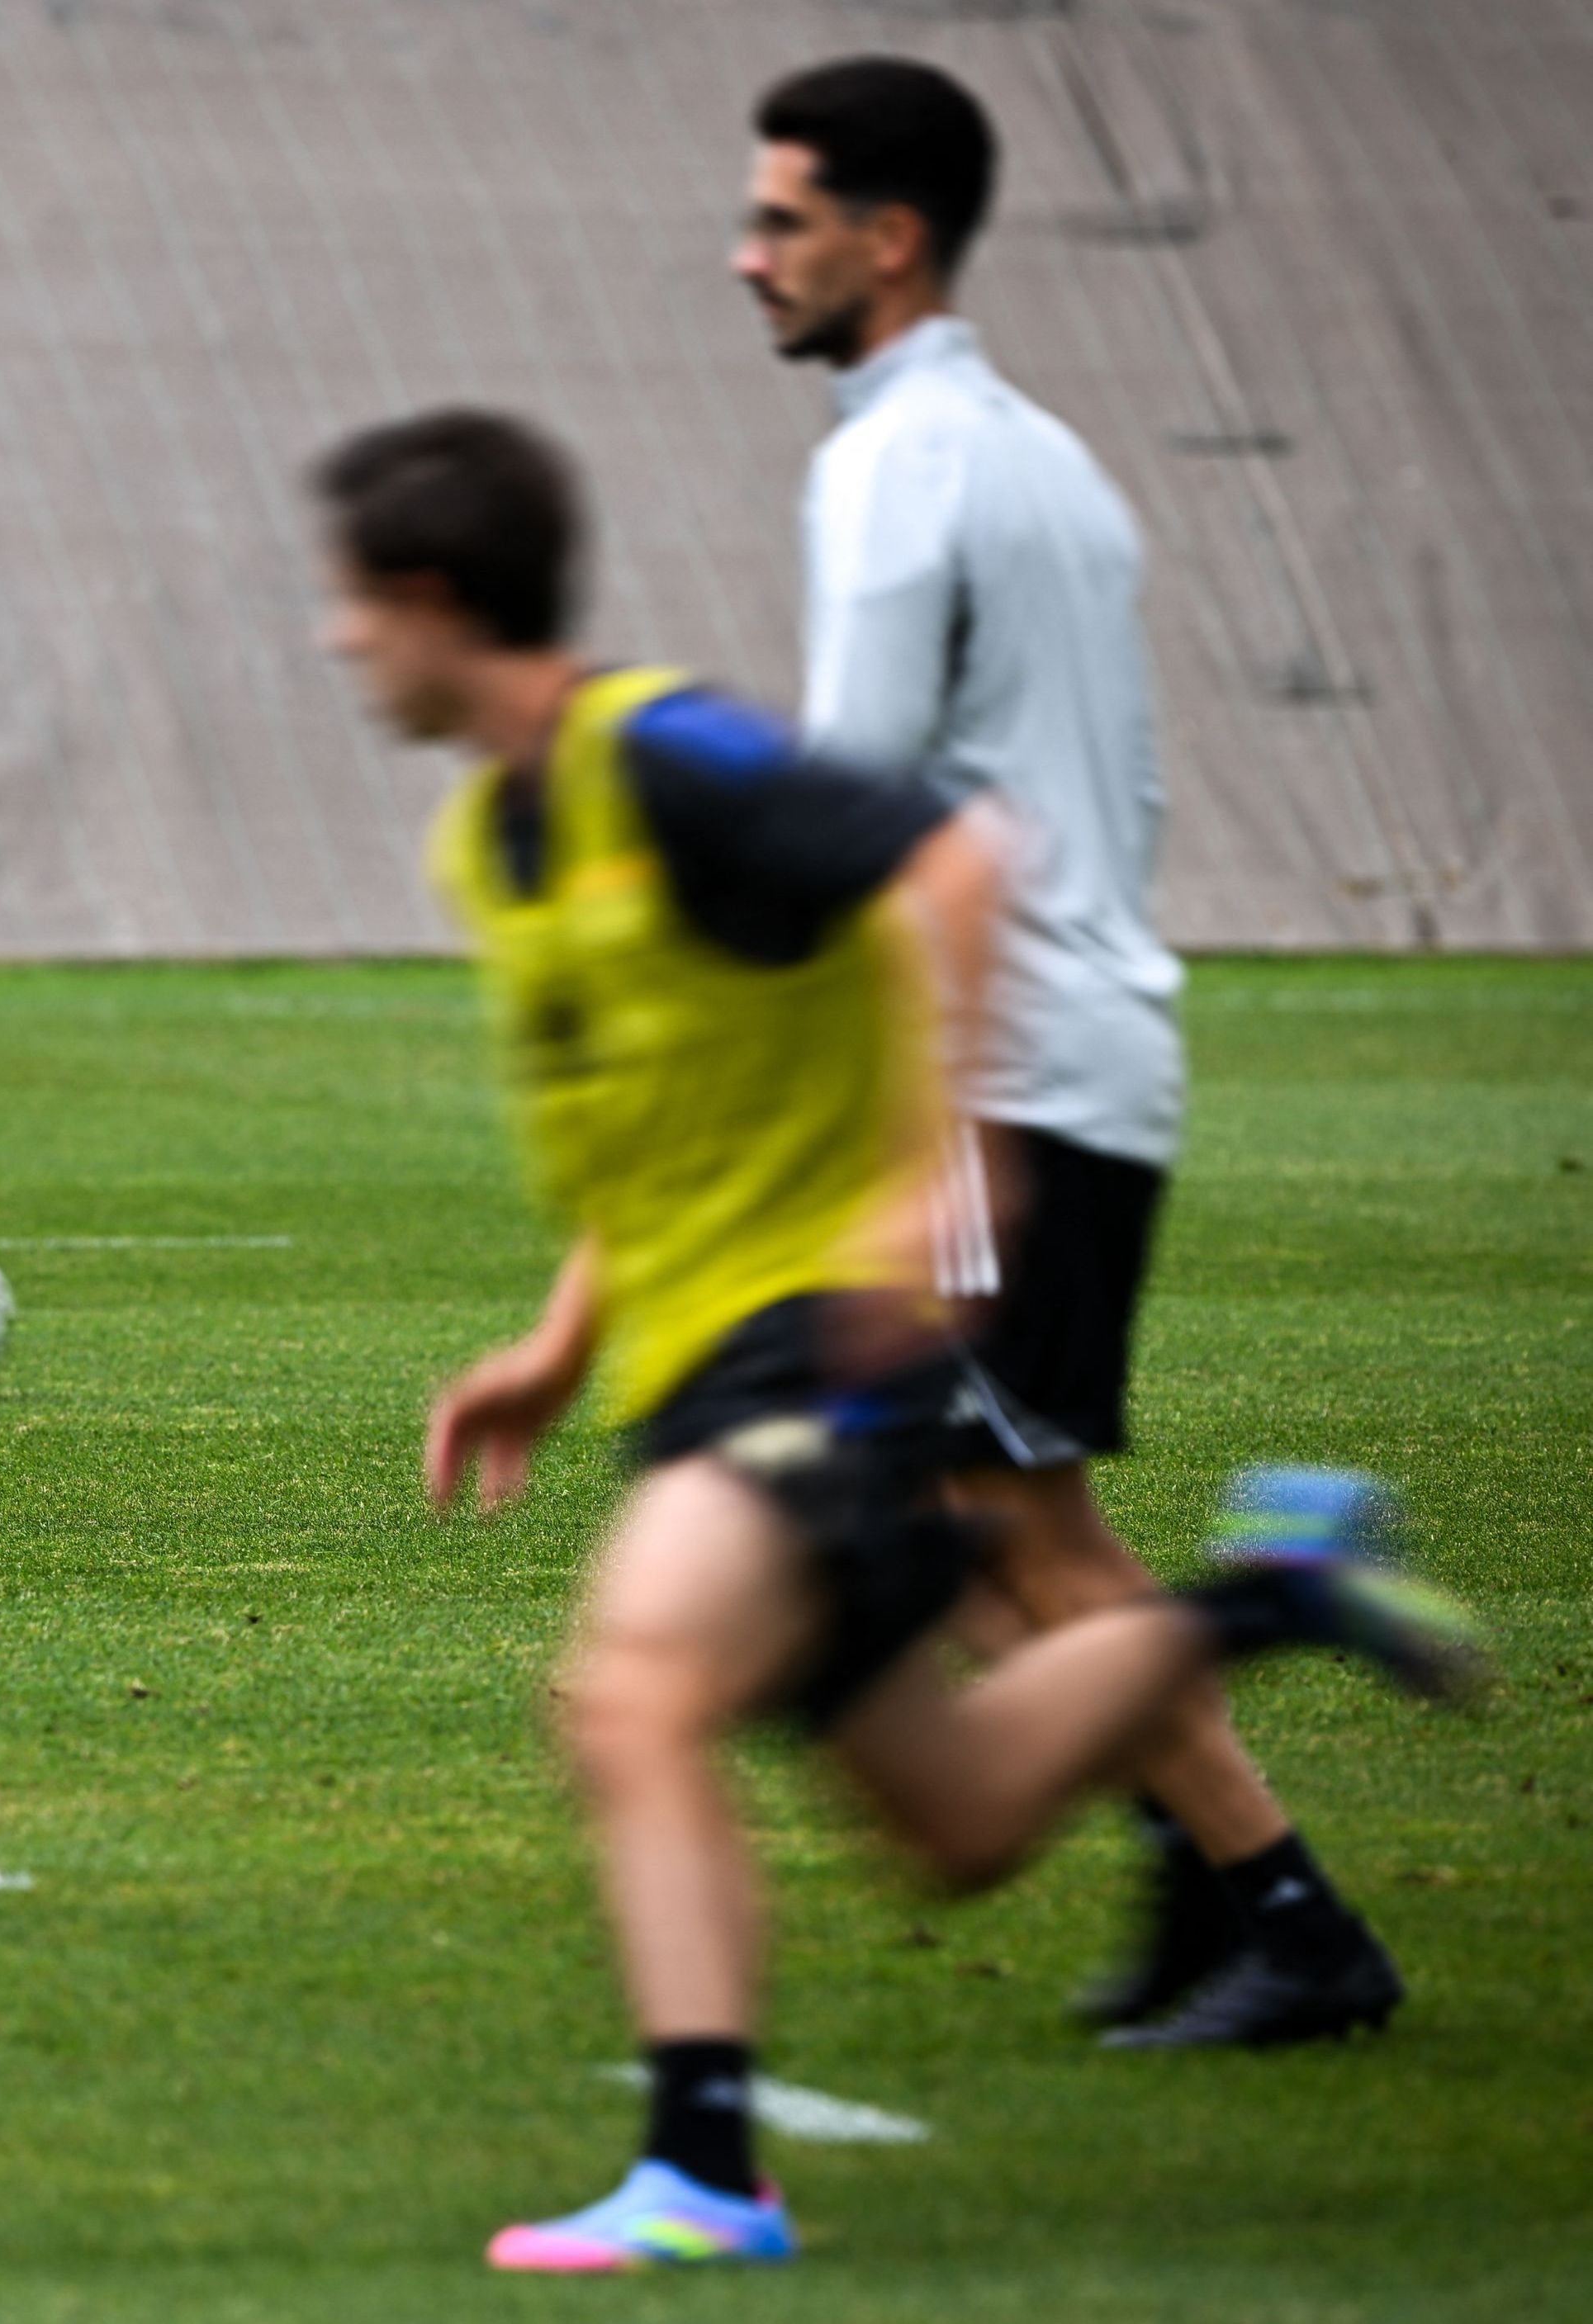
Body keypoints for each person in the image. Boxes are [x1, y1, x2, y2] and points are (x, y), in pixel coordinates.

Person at [315, 409, 1484, 2271]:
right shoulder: (493, 840)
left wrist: (944, 1173)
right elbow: (665, 1123)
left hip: (822, 1361)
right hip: (701, 1370)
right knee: (959, 1817)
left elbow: (955, 860)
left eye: (353, 606)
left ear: (440, 602)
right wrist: (554, 1345)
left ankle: (702, 2171)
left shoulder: (665, 755)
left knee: (631, 1697)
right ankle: (1284, 1588)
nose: (337, 641)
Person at [736, 55, 1394, 2048]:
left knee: (991, 1522)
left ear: (890, 235)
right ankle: (1214, 1883)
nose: (747, 254)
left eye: (782, 219)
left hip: (992, 1070)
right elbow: (1125, 774)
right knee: (1003, 1514)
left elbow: (860, 804)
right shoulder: (1049, 458)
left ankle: (1289, 1909)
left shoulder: (897, 467)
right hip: (1086, 1032)